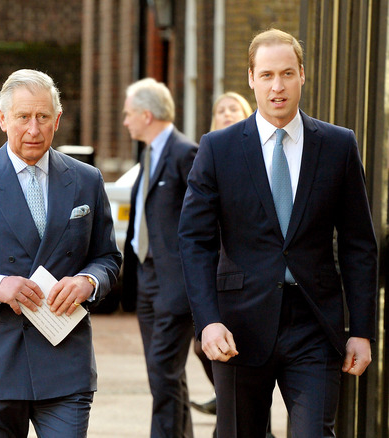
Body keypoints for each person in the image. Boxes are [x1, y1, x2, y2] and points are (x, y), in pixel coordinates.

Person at [178, 28, 377, 437]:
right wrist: (208, 322)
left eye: (287, 73)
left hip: (315, 326)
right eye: (267, 75)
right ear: (251, 78)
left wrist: (361, 330)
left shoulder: (339, 146)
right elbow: (194, 241)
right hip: (238, 328)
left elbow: (359, 244)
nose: (277, 86)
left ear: (302, 75)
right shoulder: (218, 149)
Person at [0, 69, 121, 437]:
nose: (34, 129)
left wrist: (88, 281)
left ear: (57, 120)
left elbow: (109, 258)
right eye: (23, 117)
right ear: (2, 118)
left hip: (65, 364)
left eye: (43, 117)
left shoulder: (86, 180)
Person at [121, 78, 197, 438]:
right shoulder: (149, 153)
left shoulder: (186, 153)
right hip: (146, 279)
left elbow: (205, 223)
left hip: (174, 284)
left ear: (147, 115)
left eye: (128, 113)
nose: (125, 121)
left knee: (164, 374)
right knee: (164, 375)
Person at [190, 91, 253, 417]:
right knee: (206, 344)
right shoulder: (210, 153)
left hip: (248, 274)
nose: (227, 114)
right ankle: (224, 400)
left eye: (234, 109)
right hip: (214, 270)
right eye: (221, 110)